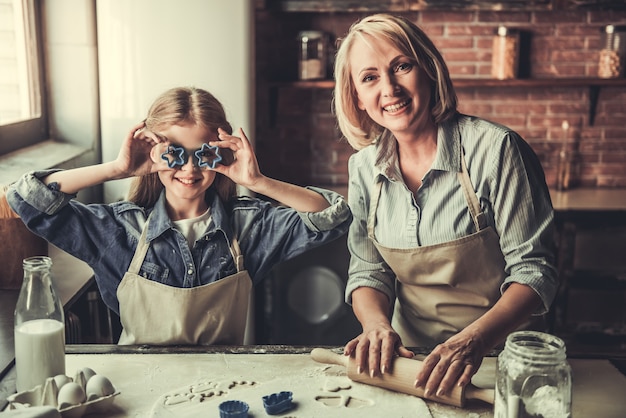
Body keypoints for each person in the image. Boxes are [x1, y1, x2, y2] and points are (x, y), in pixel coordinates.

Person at [7, 86, 352, 346]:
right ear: (152, 153)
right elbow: (26, 197)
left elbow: (333, 216)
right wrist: (117, 168)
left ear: (221, 155)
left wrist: (258, 181)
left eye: (202, 155)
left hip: (223, 389)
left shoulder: (248, 227)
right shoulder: (120, 229)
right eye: (174, 154)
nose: (189, 168)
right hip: (141, 392)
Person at [333, 14, 558, 399]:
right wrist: (376, 327)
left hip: (499, 357)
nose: (389, 88)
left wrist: (474, 341)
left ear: (429, 70)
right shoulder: (363, 167)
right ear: (356, 96)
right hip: (411, 364)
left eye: (401, 66)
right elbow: (369, 270)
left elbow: (535, 272)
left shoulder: (497, 150)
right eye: (369, 77)